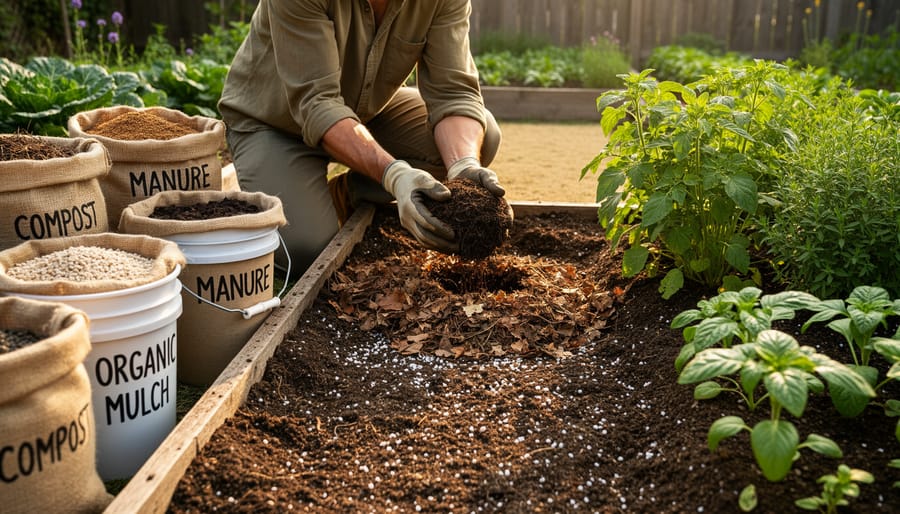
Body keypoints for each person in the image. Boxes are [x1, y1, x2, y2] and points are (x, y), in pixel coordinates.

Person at [218, 0, 507, 279]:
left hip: (364, 113)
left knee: (485, 136)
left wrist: (464, 164)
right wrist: (394, 175)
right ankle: (318, 194)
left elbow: (454, 92)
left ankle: (347, 193)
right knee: (309, 250)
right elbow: (317, 104)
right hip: (273, 122)